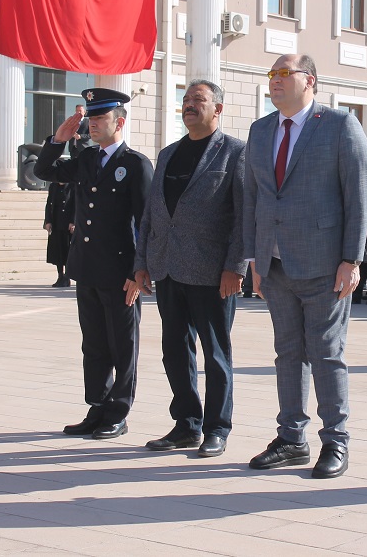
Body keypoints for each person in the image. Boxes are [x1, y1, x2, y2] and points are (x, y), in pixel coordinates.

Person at [242, 54, 367, 478]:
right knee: (287, 354)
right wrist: (254, 259)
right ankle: (291, 439)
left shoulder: (338, 126)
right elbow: (253, 199)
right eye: (272, 75)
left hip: (324, 262)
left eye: (284, 74)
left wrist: (351, 259)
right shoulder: (261, 130)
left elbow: (359, 196)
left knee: (327, 354)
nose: (275, 81)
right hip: (275, 265)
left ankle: (335, 441)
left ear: (309, 81)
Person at [134, 80, 246, 458]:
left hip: (213, 273)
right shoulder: (167, 154)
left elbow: (244, 218)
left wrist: (236, 266)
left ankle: (217, 428)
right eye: (185, 100)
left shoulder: (235, 153)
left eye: (198, 100)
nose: (189, 106)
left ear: (218, 109)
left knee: (215, 353)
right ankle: (186, 424)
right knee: (174, 350)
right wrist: (141, 263)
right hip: (166, 267)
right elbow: (151, 214)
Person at [34, 88, 154, 439]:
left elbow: (146, 222)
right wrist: (58, 139)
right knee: (94, 344)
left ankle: (118, 411)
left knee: (122, 344)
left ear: (120, 121)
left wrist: (139, 272)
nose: (93, 126)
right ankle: (97, 407)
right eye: (91, 119)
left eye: (100, 119)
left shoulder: (134, 164)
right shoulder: (87, 160)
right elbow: (45, 170)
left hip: (120, 274)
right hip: (86, 268)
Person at [44, 181, 74, 287]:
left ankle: (67, 277)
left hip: (68, 226)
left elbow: (77, 204)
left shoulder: (73, 186)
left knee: (67, 252)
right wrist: (47, 221)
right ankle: (60, 276)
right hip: (56, 224)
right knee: (57, 252)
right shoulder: (53, 186)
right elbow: (49, 204)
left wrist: (73, 221)